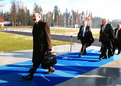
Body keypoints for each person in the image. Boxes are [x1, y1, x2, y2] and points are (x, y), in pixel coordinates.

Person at [22, 13, 55, 80]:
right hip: (37, 47)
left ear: (39, 16)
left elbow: (48, 37)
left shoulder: (44, 25)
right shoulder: (35, 25)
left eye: (35, 16)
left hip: (43, 48)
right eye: (33, 16)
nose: (33, 18)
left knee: (37, 62)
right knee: (44, 61)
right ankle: (51, 68)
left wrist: (49, 48)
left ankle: (31, 75)